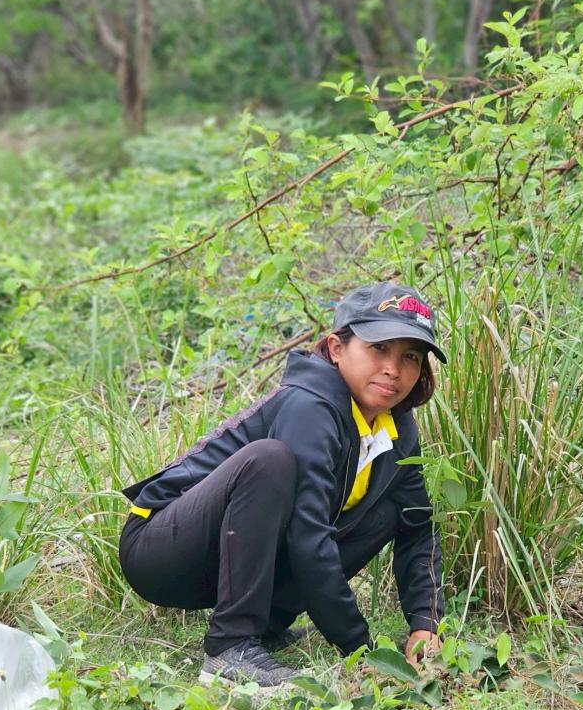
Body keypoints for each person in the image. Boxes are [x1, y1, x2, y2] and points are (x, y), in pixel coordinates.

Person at [118, 280, 447, 686]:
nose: (393, 370)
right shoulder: (310, 406)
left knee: (391, 511)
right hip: (161, 547)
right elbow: (308, 538)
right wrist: (361, 648)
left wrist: (426, 623)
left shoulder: (396, 426)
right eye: (378, 348)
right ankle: (231, 646)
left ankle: (266, 626)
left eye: (410, 356)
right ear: (336, 348)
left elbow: (417, 525)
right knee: (269, 461)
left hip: (232, 555)